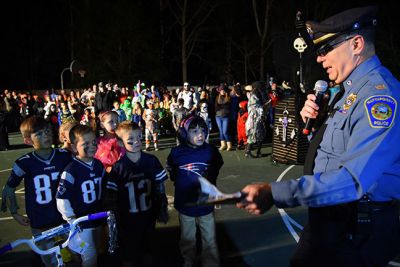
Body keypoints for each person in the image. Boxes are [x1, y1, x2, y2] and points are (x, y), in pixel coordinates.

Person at [237, 6, 400, 267]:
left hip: (356, 227)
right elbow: (339, 148)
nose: (319, 58)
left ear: (356, 44)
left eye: (326, 49)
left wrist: (275, 192)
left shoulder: (379, 98)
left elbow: (352, 181)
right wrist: (315, 125)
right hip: (335, 218)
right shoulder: (349, 90)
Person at [1, 116, 72, 267]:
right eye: (38, 134)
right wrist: (15, 213)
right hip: (41, 220)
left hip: (66, 216)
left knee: (75, 254)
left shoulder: (65, 155)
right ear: (27, 140)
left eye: (46, 131)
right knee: (50, 260)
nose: (45, 135)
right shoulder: (24, 162)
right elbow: (8, 189)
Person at [105, 121, 168, 267]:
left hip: (148, 214)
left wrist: (162, 205)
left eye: (139, 137)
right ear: (120, 143)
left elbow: (160, 185)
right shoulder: (118, 168)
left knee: (149, 249)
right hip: (127, 218)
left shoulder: (151, 161)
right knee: (129, 252)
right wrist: (113, 214)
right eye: (130, 140)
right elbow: (111, 195)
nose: (137, 142)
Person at [167, 115, 223, 267]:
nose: (200, 134)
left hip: (205, 202)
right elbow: (171, 169)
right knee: (187, 237)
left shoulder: (210, 150)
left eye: (202, 130)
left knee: (209, 237)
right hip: (186, 202)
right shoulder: (177, 152)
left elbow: (217, 166)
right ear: (184, 134)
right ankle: (188, 260)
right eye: (194, 131)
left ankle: (210, 262)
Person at [56, 125, 105, 267]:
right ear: (73, 147)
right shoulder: (71, 169)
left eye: (94, 142)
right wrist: (71, 219)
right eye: (86, 144)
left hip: (97, 215)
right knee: (89, 253)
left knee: (97, 249)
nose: (92, 146)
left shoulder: (98, 165)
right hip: (81, 221)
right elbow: (62, 198)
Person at [244, 82, 267, 158]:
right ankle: (248, 152)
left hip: (258, 118)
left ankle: (258, 151)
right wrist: (262, 108)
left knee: (261, 134)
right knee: (252, 135)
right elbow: (255, 108)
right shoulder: (253, 96)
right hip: (254, 119)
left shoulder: (256, 95)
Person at [215, 84, 232, 151]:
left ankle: (229, 145)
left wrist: (221, 107)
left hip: (225, 117)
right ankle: (223, 145)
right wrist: (222, 107)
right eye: (221, 90)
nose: (222, 91)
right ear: (219, 91)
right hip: (218, 116)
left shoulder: (228, 97)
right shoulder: (217, 97)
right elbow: (216, 107)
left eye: (224, 90)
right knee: (221, 131)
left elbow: (227, 107)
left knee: (225, 131)